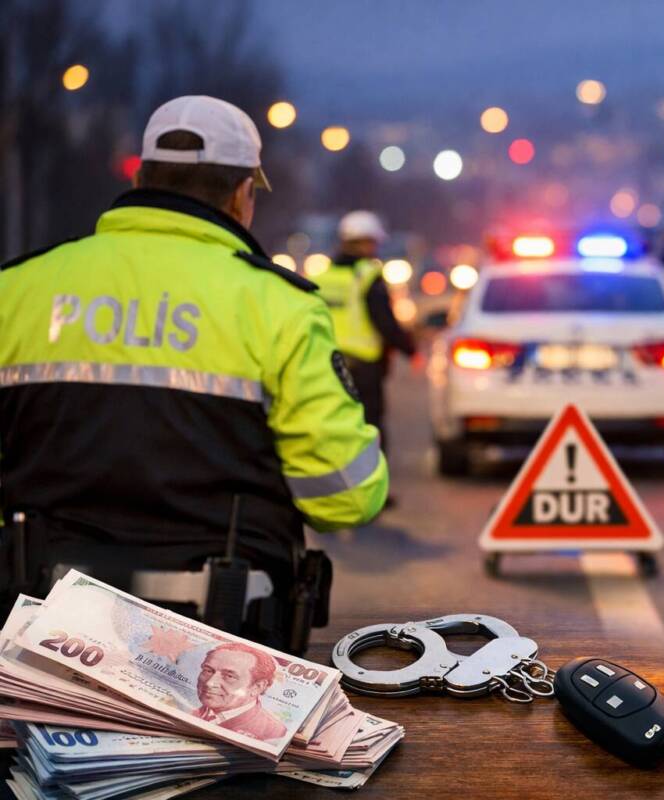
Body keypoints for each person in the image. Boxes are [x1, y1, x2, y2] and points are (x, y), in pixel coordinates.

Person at [0, 95, 387, 652]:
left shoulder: (20, 288)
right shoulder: (279, 306)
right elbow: (346, 497)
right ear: (240, 194)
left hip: (33, 636)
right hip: (224, 645)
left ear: (143, 177)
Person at [311, 211, 415, 505]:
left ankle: (334, 490)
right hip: (364, 367)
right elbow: (385, 321)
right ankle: (371, 492)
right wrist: (410, 349)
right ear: (367, 243)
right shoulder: (368, 277)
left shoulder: (322, 276)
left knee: (333, 430)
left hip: (328, 365)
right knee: (370, 429)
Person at [193, 643, 288, 741]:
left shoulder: (275, 733)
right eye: (208, 671)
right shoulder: (193, 712)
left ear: (257, 687)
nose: (210, 683)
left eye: (229, 676)